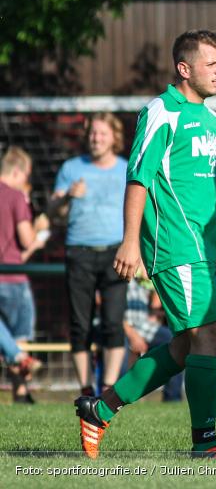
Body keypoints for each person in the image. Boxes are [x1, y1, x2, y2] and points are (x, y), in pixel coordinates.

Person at [74, 29, 216, 459]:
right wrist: (130, 242)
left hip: (200, 252)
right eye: (212, 63)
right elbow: (139, 176)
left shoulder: (213, 121)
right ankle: (205, 443)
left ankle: (99, 409)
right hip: (172, 245)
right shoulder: (161, 112)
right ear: (185, 68)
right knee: (208, 335)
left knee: (185, 345)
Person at [50, 112, 128, 397]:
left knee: (113, 323)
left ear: (114, 138)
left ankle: (107, 391)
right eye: (93, 133)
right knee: (80, 324)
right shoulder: (71, 169)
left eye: (102, 133)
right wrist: (68, 197)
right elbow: (53, 214)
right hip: (79, 252)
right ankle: (85, 389)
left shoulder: (126, 169)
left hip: (115, 253)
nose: (96, 138)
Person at [0, 146, 49, 404]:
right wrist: (39, 236)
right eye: (25, 176)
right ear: (17, 171)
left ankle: (21, 394)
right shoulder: (16, 197)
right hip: (13, 278)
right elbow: (25, 238)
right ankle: (20, 393)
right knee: (20, 337)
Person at [122, 271, 183, 402]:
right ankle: (116, 398)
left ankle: (173, 399)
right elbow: (107, 308)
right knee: (118, 344)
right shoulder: (115, 268)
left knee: (176, 340)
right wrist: (133, 335)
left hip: (144, 324)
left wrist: (154, 281)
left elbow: (156, 303)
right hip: (120, 325)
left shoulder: (143, 268)